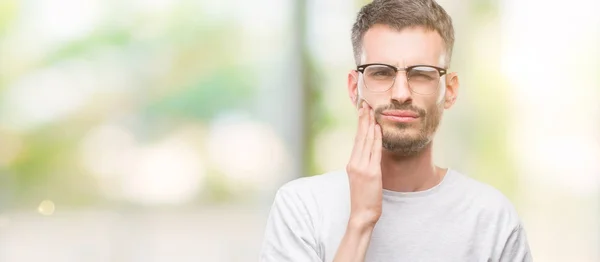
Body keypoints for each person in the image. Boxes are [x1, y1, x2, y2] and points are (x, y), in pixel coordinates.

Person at [259, 0, 532, 261]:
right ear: (355, 88)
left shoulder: (492, 218)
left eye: (421, 73)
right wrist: (360, 221)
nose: (401, 94)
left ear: (449, 91)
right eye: (381, 72)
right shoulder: (301, 208)